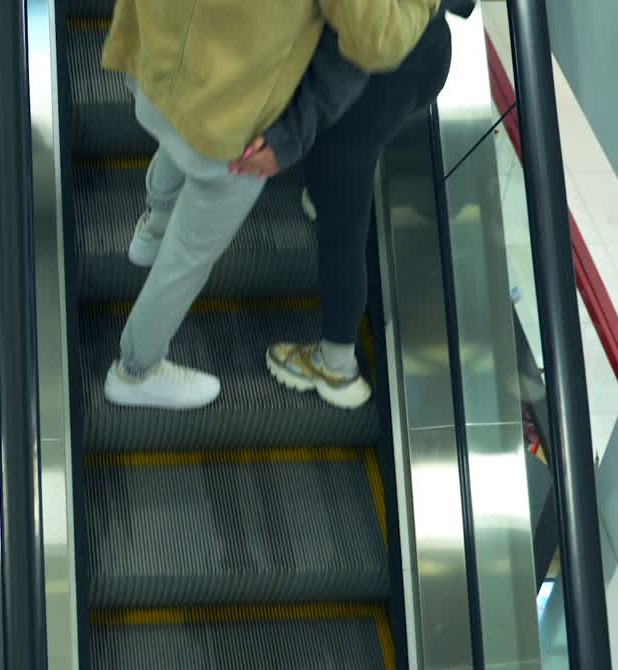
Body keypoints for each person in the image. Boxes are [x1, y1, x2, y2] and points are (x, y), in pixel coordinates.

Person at [101, 0, 443, 411]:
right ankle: (136, 371)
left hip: (154, 61)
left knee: (175, 136)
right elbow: (376, 40)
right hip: (230, 116)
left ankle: (153, 226)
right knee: (188, 254)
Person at [239, 17, 453, 409]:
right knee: (357, 152)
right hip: (429, 53)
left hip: (372, 77)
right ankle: (329, 192)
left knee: (343, 229)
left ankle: (336, 364)